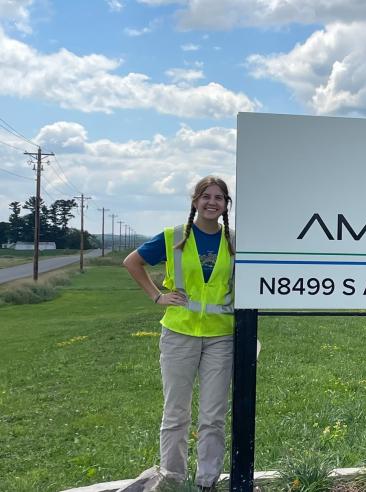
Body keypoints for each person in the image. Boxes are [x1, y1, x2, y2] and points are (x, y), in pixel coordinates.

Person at [123, 176, 235, 491]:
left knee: (213, 415)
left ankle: (207, 481)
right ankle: (172, 479)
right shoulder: (174, 237)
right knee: (176, 412)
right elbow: (133, 263)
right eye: (206, 196)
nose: (212, 202)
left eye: (220, 198)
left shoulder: (234, 241)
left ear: (226, 204)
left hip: (221, 337)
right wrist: (157, 296)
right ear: (194, 200)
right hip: (180, 333)